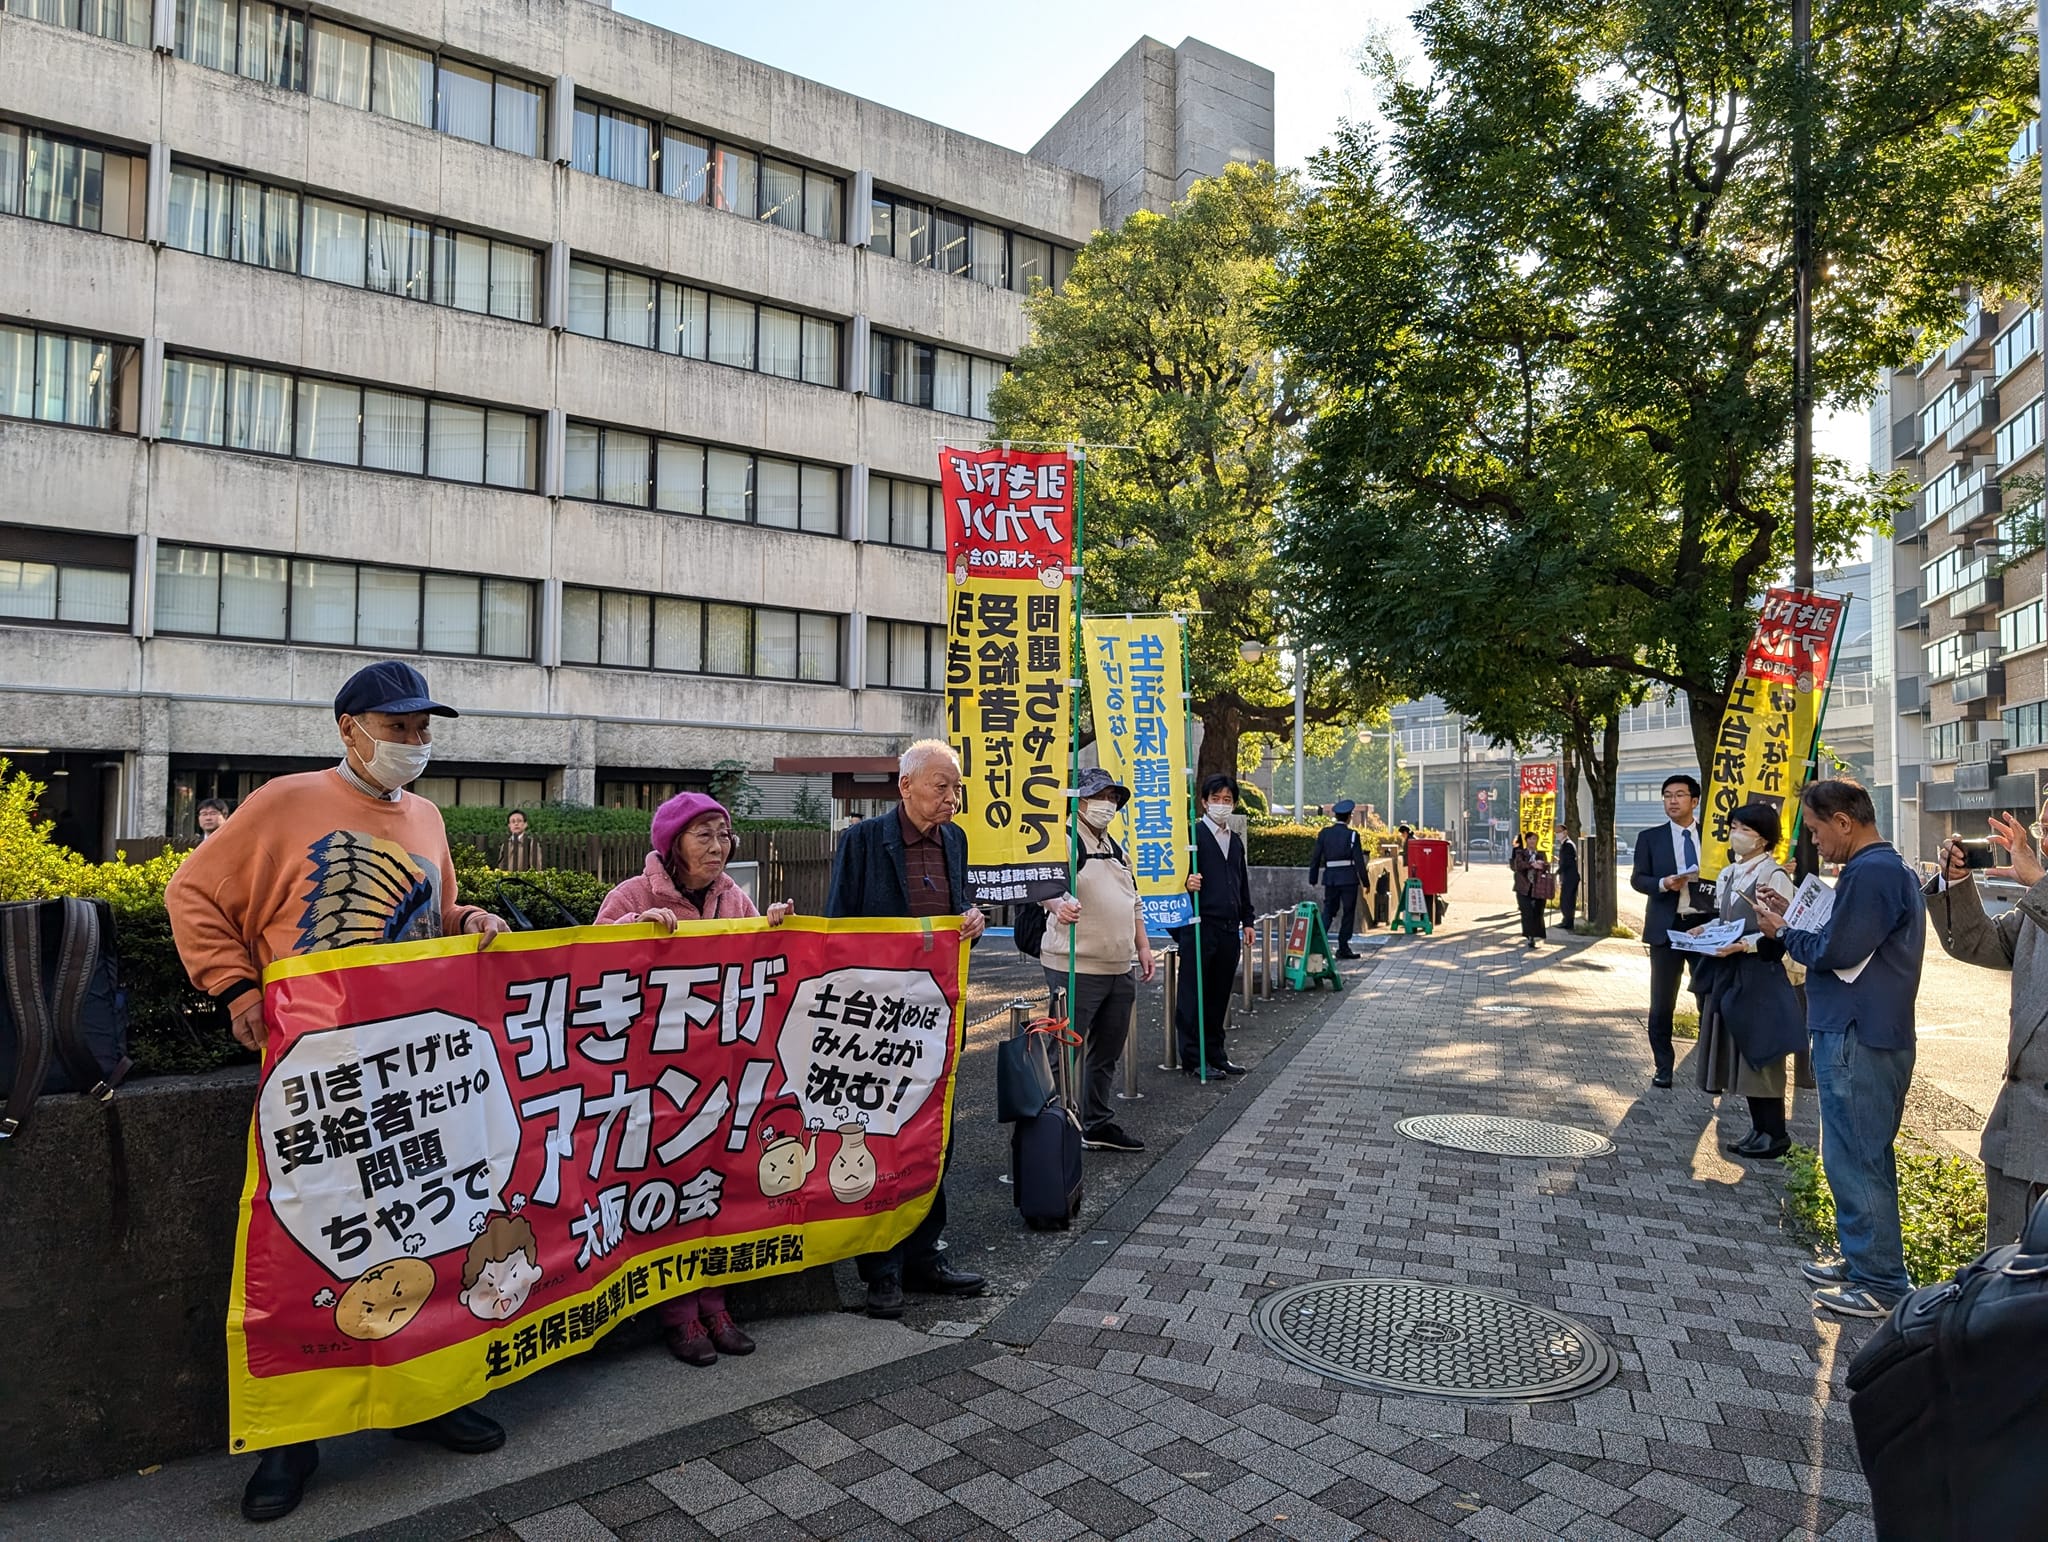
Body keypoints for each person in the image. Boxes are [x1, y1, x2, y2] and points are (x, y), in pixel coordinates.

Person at [164, 660, 511, 1523]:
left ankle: (427, 1397)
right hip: (317, 1074)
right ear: (349, 728)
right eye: (398, 728)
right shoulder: (284, 802)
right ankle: (291, 1440)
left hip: (418, 1072)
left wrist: (469, 920)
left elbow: (435, 911)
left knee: (429, 1224)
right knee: (301, 1242)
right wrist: (235, 987)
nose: (414, 743)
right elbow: (192, 892)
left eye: (423, 729)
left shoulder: (426, 816)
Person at [595, 791, 792, 1364]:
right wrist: (631, 929)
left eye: (724, 834)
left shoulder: (735, 898)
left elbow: (760, 969)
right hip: (658, 1082)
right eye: (703, 835)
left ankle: (716, 1304)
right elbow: (591, 971)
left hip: (722, 1077)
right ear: (672, 844)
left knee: (717, 1187)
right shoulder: (631, 895)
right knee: (668, 1188)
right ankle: (680, 1315)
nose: (718, 846)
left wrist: (775, 929)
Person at [823, 739, 987, 1319]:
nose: (951, 797)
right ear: (906, 786)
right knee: (878, 1135)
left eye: (956, 787)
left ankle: (924, 1254)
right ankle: (881, 1268)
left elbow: (959, 909)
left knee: (935, 1132)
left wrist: (971, 921)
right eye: (942, 786)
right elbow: (838, 929)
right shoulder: (864, 841)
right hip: (876, 1020)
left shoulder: (956, 841)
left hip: (937, 1015)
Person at [1756, 779, 1924, 1319]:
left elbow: (1837, 949)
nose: (1815, 841)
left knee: (1857, 1156)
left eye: (1816, 829)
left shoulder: (1872, 873)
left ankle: (1881, 1282)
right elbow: (1846, 939)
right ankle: (1863, 1262)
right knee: (1854, 1153)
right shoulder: (1882, 869)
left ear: (1844, 822)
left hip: (1858, 1032)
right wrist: (1795, 918)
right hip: (1865, 1030)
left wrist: (1785, 932)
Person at [1927, 799, 2048, 1245]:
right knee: (2005, 1262)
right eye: (2043, 829)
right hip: (2020, 1124)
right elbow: (1981, 942)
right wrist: (1958, 882)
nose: (2044, 842)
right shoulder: (2039, 904)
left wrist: (2037, 882)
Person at [1037, 766, 1154, 1153]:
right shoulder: (1063, 839)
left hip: (1120, 965)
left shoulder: (1117, 848)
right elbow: (1043, 884)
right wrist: (1057, 905)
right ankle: (1051, 1127)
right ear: (1079, 800)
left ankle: (1097, 1122)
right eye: (1098, 796)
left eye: (1112, 798)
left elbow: (1134, 900)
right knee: (1063, 1051)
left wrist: (1142, 946)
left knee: (1106, 1052)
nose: (1107, 804)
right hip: (1075, 964)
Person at [1687, 802, 1803, 1159]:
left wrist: (1746, 944)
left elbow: (1786, 927)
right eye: (1734, 826)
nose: (1736, 834)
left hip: (1761, 973)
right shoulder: (1730, 873)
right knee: (1741, 1052)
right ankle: (1759, 1129)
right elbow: (1728, 920)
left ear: (1763, 838)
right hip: (1731, 971)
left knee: (1761, 1050)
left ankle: (1775, 1133)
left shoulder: (1774, 875)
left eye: (1745, 829)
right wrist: (1706, 929)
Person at [1631, 773, 1714, 1088]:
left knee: (1708, 997)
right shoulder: (1650, 838)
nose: (1672, 801)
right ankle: (1663, 1066)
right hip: (1666, 927)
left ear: (1695, 800)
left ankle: (1710, 1066)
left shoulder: (1713, 837)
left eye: (1679, 795)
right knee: (1662, 1001)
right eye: (1667, 795)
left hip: (1705, 926)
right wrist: (1664, 883)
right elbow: (1638, 879)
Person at [1171, 774, 1255, 1079]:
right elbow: (1170, 877)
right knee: (1193, 995)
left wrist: (1248, 920)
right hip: (1199, 926)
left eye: (1227, 800)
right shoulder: (1191, 837)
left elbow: (1242, 883)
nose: (1221, 804)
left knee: (1220, 995)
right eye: (1215, 799)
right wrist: (1185, 883)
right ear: (1204, 802)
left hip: (1229, 929)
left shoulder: (1235, 840)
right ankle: (1194, 1058)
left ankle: (1217, 1054)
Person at [1308, 798, 1365, 959]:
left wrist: (1313, 878)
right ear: (1349, 817)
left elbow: (1316, 857)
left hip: (1331, 878)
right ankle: (1343, 946)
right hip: (1349, 879)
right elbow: (1359, 861)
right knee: (1348, 912)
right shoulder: (1352, 835)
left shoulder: (1325, 833)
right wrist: (1365, 881)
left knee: (1328, 911)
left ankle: (1318, 944)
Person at [1509, 832, 1550, 948]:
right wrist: (1532, 864)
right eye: (1530, 839)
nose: (1532, 841)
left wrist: (1542, 865)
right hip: (1523, 887)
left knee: (1538, 912)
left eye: (1535, 839)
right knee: (1526, 911)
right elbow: (1518, 866)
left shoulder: (1541, 853)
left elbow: (1547, 866)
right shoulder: (1520, 853)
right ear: (1526, 840)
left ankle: (1535, 934)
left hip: (1538, 887)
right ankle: (1529, 936)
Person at [1555, 826, 1580, 932]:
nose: (1557, 834)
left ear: (1565, 832)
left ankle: (1568, 922)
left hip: (1570, 877)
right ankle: (1566, 920)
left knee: (1568, 900)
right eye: (1556, 832)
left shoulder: (1568, 845)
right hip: (1568, 876)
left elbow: (1568, 862)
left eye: (1559, 832)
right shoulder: (1565, 844)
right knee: (1565, 900)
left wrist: (1558, 871)